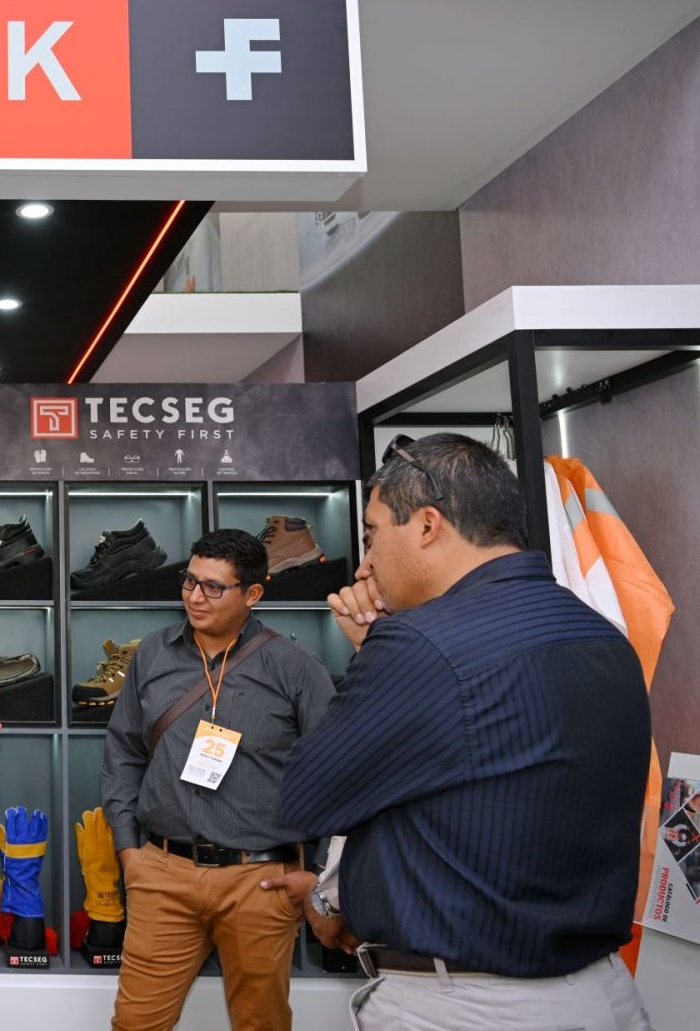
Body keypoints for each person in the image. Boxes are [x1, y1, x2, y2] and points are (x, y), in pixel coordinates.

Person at [277, 433, 652, 1030]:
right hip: (600, 992)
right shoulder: (603, 635)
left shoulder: (418, 644)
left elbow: (304, 799)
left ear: (428, 525)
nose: (365, 565)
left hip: (469, 1006)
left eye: (372, 535)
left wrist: (377, 650)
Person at [100, 528, 334, 1031]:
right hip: (162, 873)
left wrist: (318, 872)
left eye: (213, 587)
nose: (194, 596)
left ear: (253, 593)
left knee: (260, 1024)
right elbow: (122, 749)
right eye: (190, 581)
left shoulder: (295, 668)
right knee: (135, 1022)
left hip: (259, 879)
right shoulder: (153, 653)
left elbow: (336, 774)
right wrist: (129, 852)